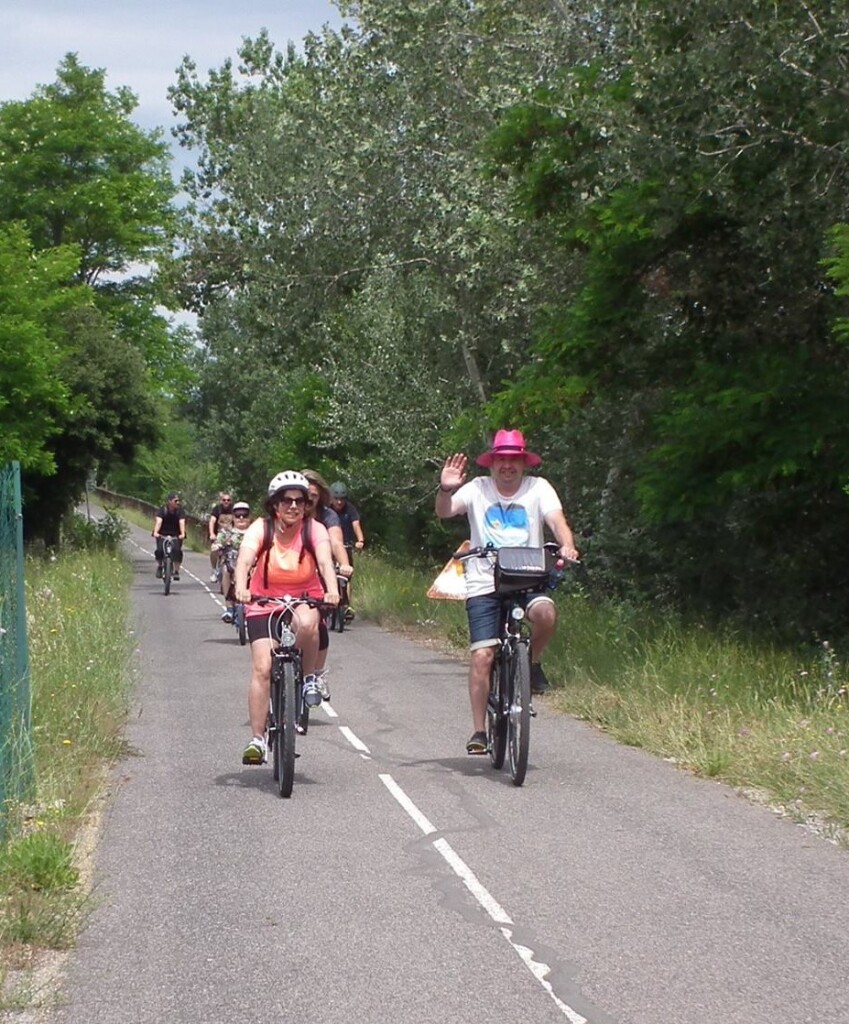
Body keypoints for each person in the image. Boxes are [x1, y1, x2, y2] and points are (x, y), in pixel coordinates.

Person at [435, 429, 579, 754]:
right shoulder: (477, 489)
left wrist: (567, 546)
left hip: (527, 577)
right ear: (493, 462)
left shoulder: (538, 488)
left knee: (546, 614)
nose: (508, 466)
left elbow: (556, 520)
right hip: (484, 582)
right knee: (483, 656)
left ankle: (532, 662)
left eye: (514, 460)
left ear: (523, 462)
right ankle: (479, 731)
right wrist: (445, 488)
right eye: (502, 459)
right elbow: (444, 511)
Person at [234, 471, 339, 766]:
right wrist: (241, 587)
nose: (294, 506)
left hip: (304, 597)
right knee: (262, 668)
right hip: (263, 602)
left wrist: (332, 591)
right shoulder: (261, 528)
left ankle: (307, 679)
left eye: (300, 501)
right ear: (274, 505)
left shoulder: (313, 529)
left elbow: (324, 561)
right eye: (287, 501)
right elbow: (244, 560)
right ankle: (257, 739)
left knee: (308, 624)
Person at [302, 470, 354, 701]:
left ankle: (318, 673)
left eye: (313, 494)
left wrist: (344, 564)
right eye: (305, 493)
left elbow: (335, 541)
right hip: (289, 573)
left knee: (318, 625)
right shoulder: (289, 512)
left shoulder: (328, 516)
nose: (308, 499)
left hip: (319, 574)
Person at [329, 480, 365, 620]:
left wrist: (360, 540)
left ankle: (345, 605)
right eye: (336, 499)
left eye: (342, 499)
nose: (339, 502)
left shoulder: (350, 509)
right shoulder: (326, 510)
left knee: (346, 574)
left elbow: (356, 525)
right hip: (328, 544)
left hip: (345, 545)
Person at [218, 501, 252, 623]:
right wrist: (217, 546)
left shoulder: (255, 532)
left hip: (252, 565)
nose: (241, 518)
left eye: (244, 514)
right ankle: (229, 608)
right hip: (231, 563)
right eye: (238, 515)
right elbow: (218, 542)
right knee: (226, 570)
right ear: (233, 517)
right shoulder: (226, 532)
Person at [152, 492, 187, 579]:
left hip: (176, 535)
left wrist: (182, 534)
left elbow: (181, 522)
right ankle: (160, 566)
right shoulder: (162, 510)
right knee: (159, 551)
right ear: (169, 502)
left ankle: (176, 571)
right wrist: (156, 532)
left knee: (177, 551)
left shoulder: (180, 511)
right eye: (175, 501)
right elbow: (158, 521)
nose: (178, 503)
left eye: (178, 501)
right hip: (162, 534)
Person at [208, 492, 235, 582]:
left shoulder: (234, 509)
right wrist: (212, 533)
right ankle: (214, 570)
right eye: (224, 500)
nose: (226, 502)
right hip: (220, 534)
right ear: (221, 501)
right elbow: (212, 521)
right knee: (214, 550)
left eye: (228, 500)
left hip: (232, 534)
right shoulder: (217, 509)